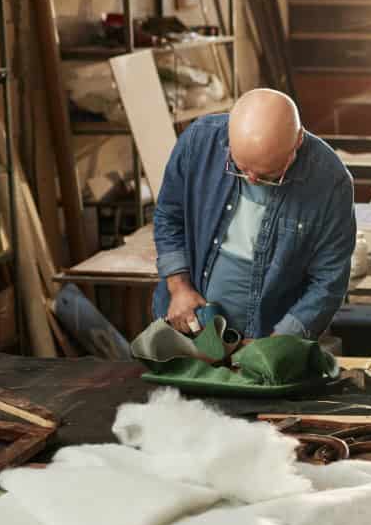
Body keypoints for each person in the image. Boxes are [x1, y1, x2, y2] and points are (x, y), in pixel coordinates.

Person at [153, 88, 357, 340]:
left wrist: (279, 342)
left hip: (268, 336)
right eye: (240, 167)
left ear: (298, 141)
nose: (251, 179)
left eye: (267, 175)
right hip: (188, 327)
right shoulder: (199, 141)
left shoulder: (330, 182)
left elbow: (329, 280)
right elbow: (168, 217)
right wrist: (179, 287)